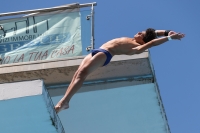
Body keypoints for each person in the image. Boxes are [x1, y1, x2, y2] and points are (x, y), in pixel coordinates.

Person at [55, 28, 185, 113]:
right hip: (97, 50)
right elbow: (154, 32)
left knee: (82, 75)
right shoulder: (133, 39)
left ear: (143, 40)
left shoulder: (138, 46)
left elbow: (152, 42)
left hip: (105, 54)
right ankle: (65, 101)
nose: (139, 32)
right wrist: (167, 32)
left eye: (141, 34)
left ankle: (65, 101)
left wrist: (169, 38)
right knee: (77, 73)